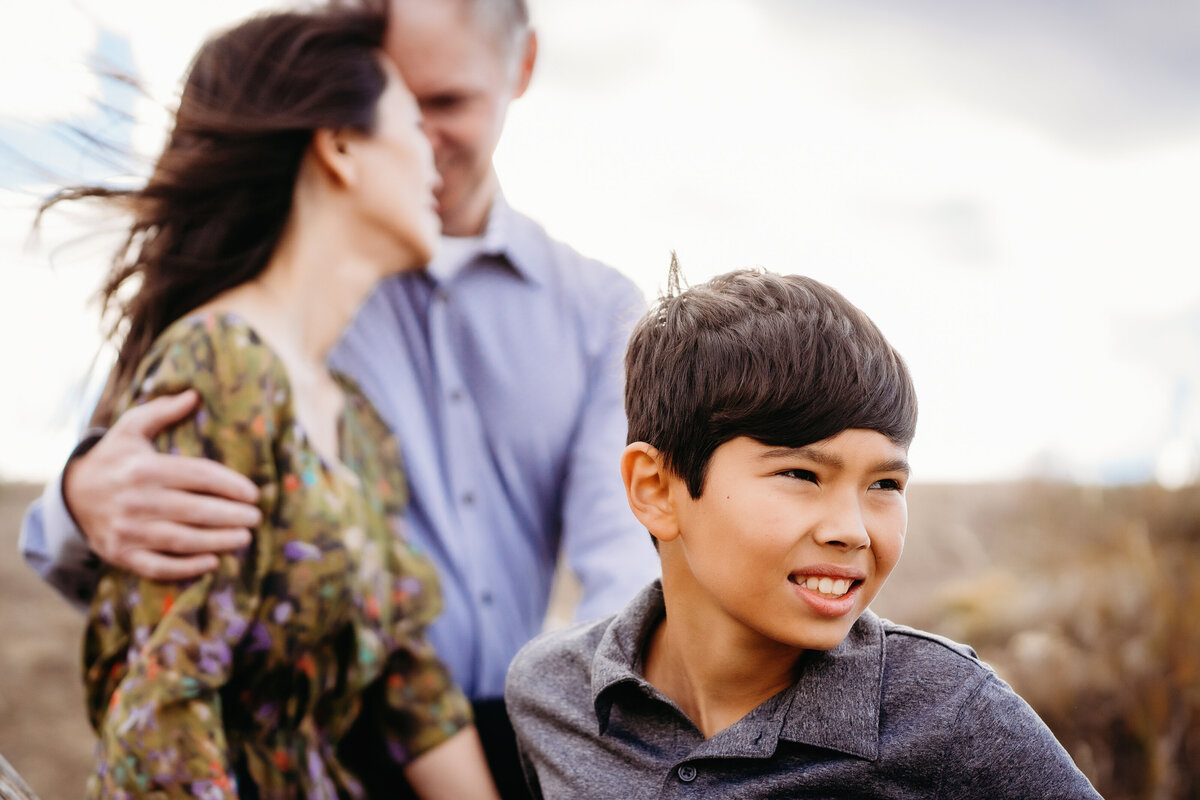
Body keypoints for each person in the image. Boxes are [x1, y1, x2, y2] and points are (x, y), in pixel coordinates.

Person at [19, 0, 658, 796]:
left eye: (448, 103)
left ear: (519, 70)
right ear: (339, 143)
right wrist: (83, 493)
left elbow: (620, 575)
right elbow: (163, 705)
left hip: (507, 738)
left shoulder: (590, 310)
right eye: (403, 105)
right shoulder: (243, 342)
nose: (426, 140)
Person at [504, 266, 1104, 799]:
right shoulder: (551, 695)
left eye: (885, 485)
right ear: (657, 489)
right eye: (800, 474)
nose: (853, 531)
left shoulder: (952, 715)